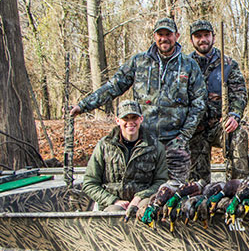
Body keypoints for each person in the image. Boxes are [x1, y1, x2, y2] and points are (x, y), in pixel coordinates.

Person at [71, 17, 206, 182]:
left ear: (176, 36)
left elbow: (199, 104)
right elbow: (113, 86)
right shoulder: (139, 62)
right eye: (160, 34)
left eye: (168, 34)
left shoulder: (189, 65)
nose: (164, 38)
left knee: (174, 196)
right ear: (154, 36)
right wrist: (83, 106)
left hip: (175, 143)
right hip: (144, 143)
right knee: (145, 194)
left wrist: (183, 137)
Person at [187, 19, 249, 182]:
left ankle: (240, 185)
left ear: (213, 38)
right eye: (198, 36)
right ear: (191, 40)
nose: (203, 39)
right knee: (196, 181)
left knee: (238, 134)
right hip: (195, 129)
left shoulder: (228, 64)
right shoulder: (185, 65)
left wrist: (234, 115)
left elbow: (240, 94)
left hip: (220, 125)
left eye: (206, 35)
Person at [82, 100, 168, 211]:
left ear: (141, 119)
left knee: (146, 210)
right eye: (125, 118)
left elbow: (161, 181)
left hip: (142, 202)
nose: (130, 122)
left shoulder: (155, 147)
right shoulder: (104, 145)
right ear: (117, 120)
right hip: (111, 204)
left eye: (134, 118)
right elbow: (90, 183)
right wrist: (113, 201)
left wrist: (140, 197)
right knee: (115, 212)